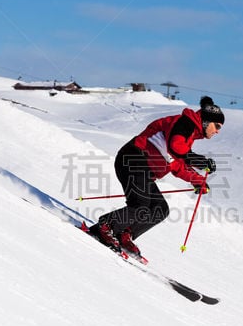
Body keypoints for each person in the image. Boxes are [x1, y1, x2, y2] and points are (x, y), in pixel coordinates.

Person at [89, 95, 224, 257]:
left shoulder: (190, 134)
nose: (217, 131)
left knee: (159, 208)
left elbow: (176, 163)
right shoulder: (184, 124)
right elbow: (176, 148)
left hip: (142, 169)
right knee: (140, 204)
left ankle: (123, 233)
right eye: (216, 126)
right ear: (206, 121)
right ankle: (107, 226)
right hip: (132, 159)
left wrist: (198, 181)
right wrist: (201, 161)